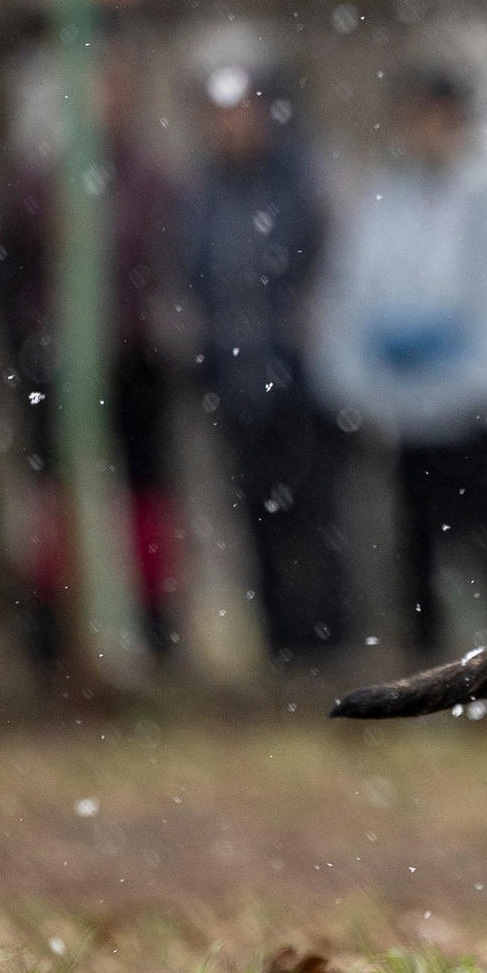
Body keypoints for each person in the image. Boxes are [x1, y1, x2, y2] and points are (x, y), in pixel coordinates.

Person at [314, 66, 487, 656]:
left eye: (438, 119)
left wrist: (481, 380)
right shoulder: (382, 206)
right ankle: (430, 674)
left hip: (476, 419)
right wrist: (368, 383)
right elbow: (351, 299)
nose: (427, 133)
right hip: (409, 421)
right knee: (415, 558)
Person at [0, 30, 187, 673]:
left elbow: (166, 269)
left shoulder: (152, 180)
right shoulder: (38, 182)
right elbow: (12, 275)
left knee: (144, 503)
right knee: (58, 503)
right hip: (57, 366)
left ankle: (155, 634)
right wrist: (40, 337)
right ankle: (52, 637)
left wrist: (149, 331)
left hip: (135, 368)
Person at [181, 58, 351, 667]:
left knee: (318, 526)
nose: (230, 128)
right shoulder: (203, 196)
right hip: (235, 388)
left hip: (306, 389)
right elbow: (195, 281)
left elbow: (328, 276)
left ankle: (329, 653)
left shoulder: (305, 182)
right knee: (257, 527)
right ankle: (280, 653)